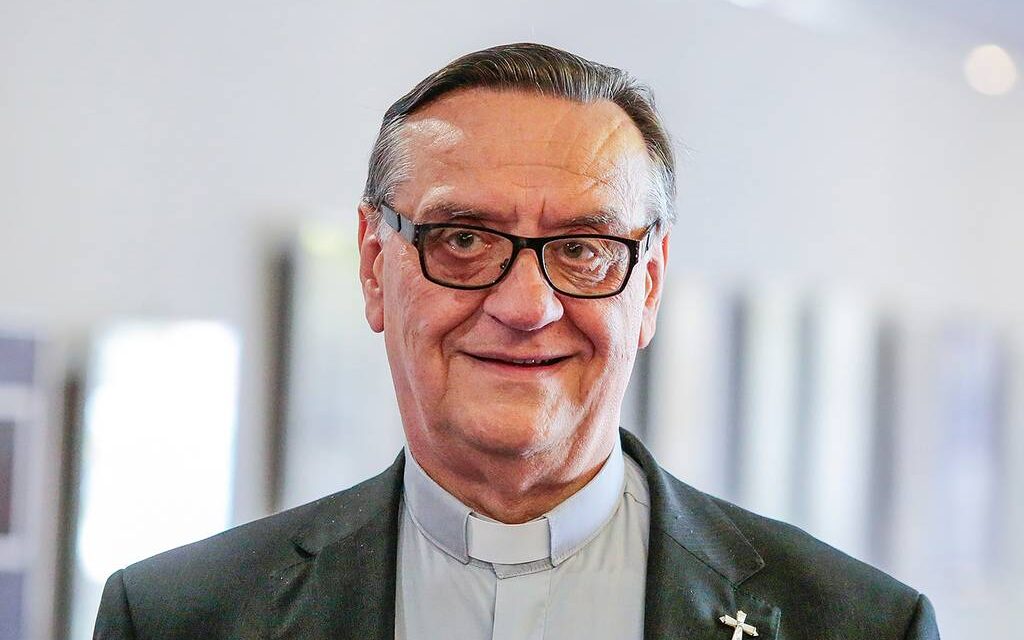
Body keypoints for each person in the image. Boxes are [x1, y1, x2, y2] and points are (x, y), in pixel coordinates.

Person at [93, 43, 939, 639]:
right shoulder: (179, 618)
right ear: (374, 266)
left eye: (583, 249)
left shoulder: (859, 626)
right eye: (463, 238)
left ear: (648, 286)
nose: (527, 305)